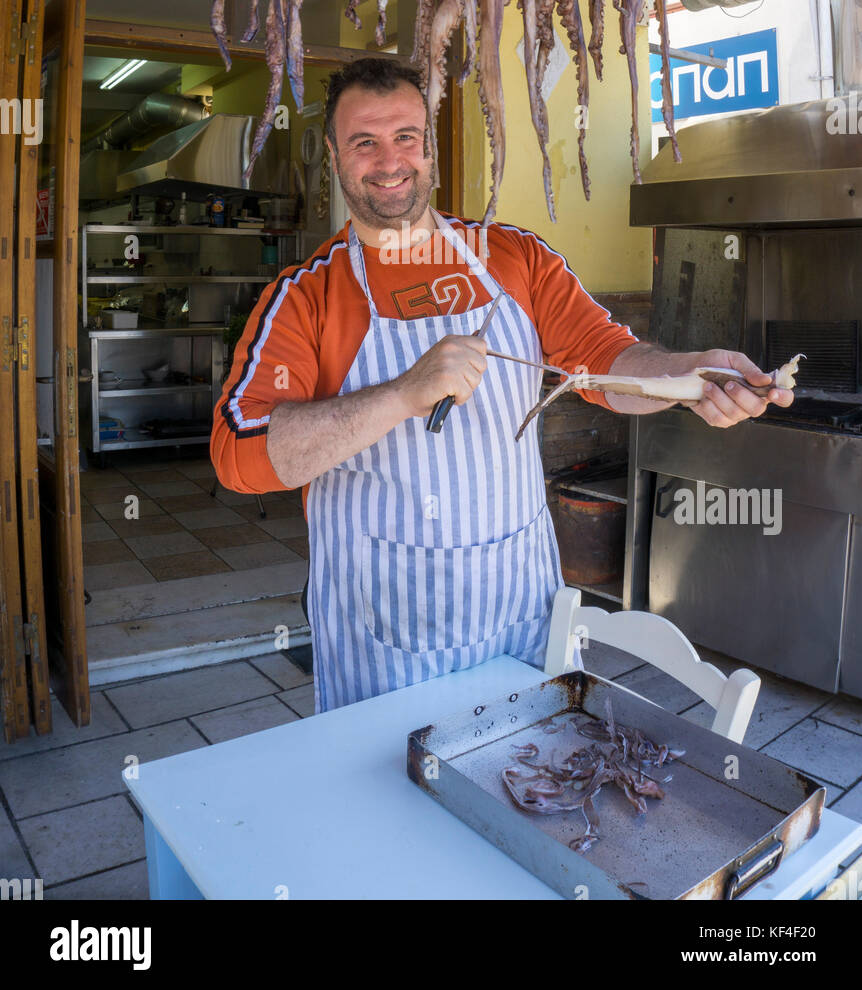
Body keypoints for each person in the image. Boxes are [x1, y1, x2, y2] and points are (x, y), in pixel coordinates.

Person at [211, 57, 793, 712]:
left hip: (521, 609)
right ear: (334, 154)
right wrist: (404, 393)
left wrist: (690, 375)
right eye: (363, 141)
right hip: (385, 631)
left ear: (429, 145)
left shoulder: (516, 258)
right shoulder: (304, 298)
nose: (389, 160)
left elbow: (605, 362)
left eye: (405, 136)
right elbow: (240, 459)